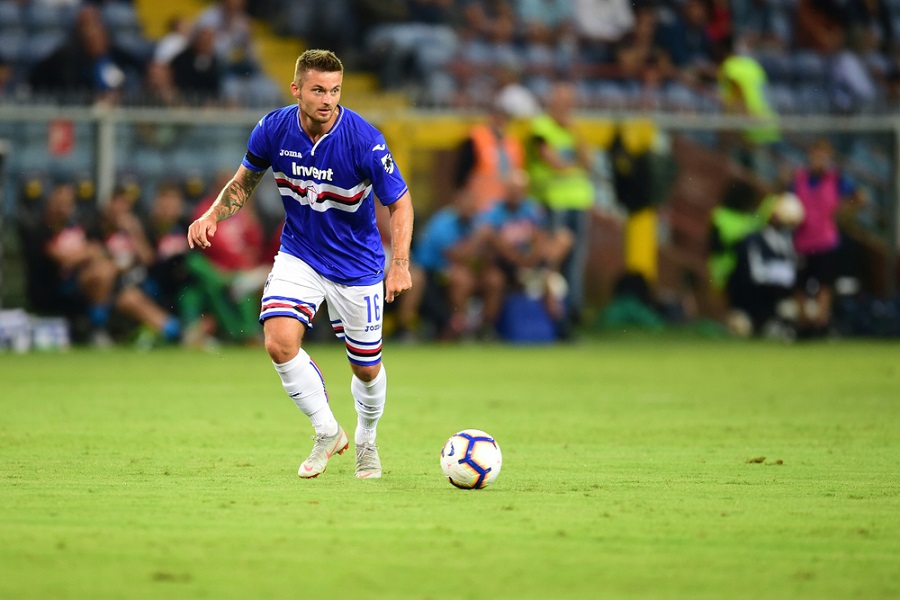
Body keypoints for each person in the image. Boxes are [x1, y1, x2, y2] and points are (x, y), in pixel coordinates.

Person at [187, 49, 414, 479]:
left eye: (335, 91)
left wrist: (399, 263)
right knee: (278, 342)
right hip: (300, 254)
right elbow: (243, 183)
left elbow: (400, 203)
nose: (328, 100)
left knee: (366, 368)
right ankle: (326, 430)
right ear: (296, 90)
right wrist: (213, 214)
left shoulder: (364, 140)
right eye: (318, 90)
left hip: (356, 265)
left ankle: (367, 438)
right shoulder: (272, 129)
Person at [525, 81, 596, 335]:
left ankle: (573, 309)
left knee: (576, 259)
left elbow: (588, 163)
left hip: (579, 201)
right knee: (552, 258)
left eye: (569, 101)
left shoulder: (574, 130)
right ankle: (553, 313)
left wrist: (575, 132)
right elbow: (552, 162)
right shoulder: (541, 126)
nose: (566, 106)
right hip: (553, 201)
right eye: (562, 101)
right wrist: (574, 166)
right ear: (552, 102)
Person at [791, 138, 867, 333]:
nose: (818, 159)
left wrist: (843, 211)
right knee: (799, 284)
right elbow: (788, 202)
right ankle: (803, 323)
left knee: (825, 284)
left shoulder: (836, 179)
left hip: (826, 241)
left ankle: (821, 322)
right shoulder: (799, 178)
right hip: (802, 240)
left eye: (822, 155)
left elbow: (860, 198)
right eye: (815, 154)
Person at [726, 192, 805, 338]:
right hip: (751, 302)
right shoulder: (753, 241)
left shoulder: (787, 243)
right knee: (741, 327)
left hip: (773, 301)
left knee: (793, 310)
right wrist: (785, 273)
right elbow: (755, 275)